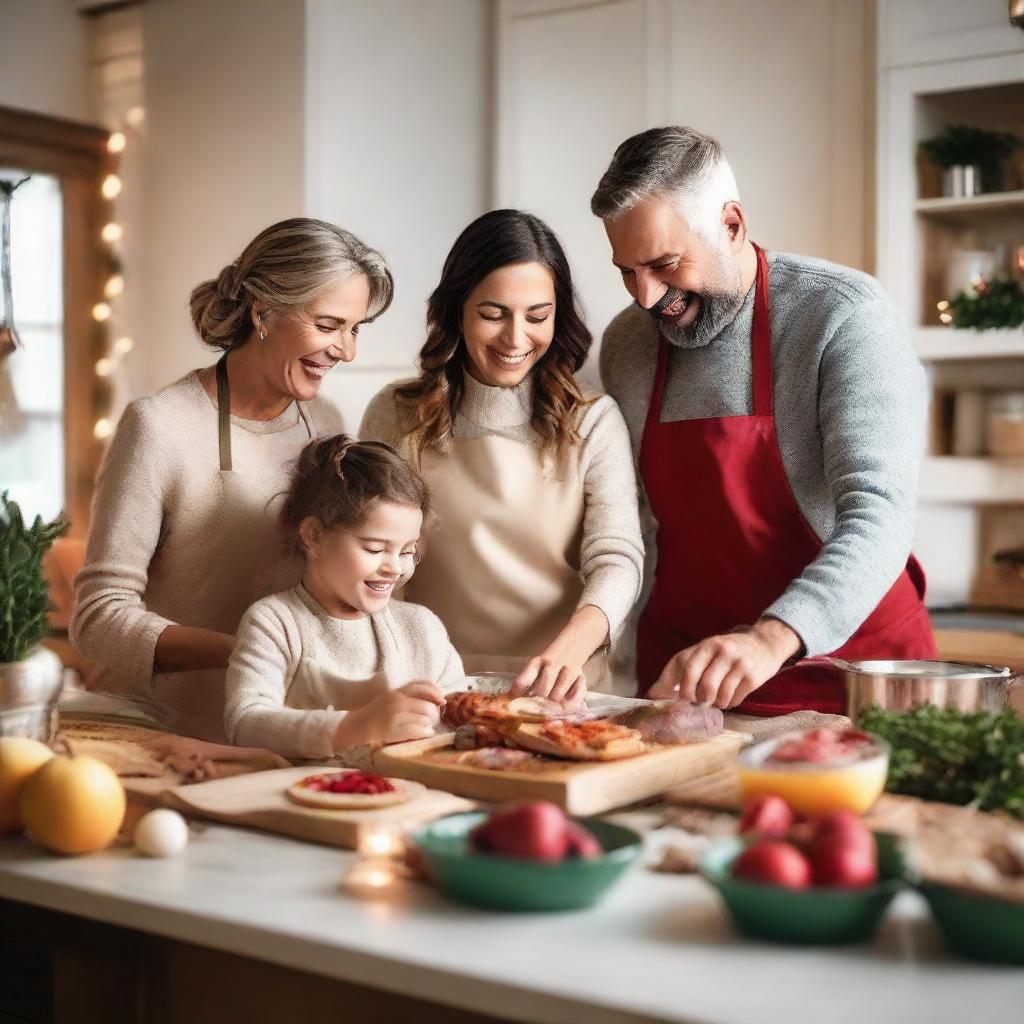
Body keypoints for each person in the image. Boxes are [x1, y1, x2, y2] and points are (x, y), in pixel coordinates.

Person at [592, 126, 936, 714]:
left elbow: (880, 514)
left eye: (665, 264)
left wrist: (769, 638)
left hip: (849, 674)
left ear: (731, 224)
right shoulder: (627, 344)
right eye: (627, 271)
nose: (647, 298)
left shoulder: (843, 315)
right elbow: (638, 526)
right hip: (690, 682)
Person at [71, 219, 393, 740]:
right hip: (163, 727)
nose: (346, 350)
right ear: (263, 312)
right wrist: (248, 649)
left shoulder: (326, 424)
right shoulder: (159, 425)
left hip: (281, 728)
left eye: (355, 329)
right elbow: (99, 619)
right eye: (329, 325)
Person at [361, 210, 644, 698]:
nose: (516, 339)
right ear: (457, 311)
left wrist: (568, 653)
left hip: (566, 689)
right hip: (432, 685)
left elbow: (616, 556)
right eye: (493, 315)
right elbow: (369, 558)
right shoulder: (395, 413)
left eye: (537, 317)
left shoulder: (593, 420)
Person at [225, 436, 463, 759]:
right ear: (314, 536)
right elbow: (244, 722)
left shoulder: (424, 629)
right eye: (375, 548)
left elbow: (462, 727)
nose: (395, 567)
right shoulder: (275, 622)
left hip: (407, 800)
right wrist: (354, 727)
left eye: (408, 551)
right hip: (301, 800)